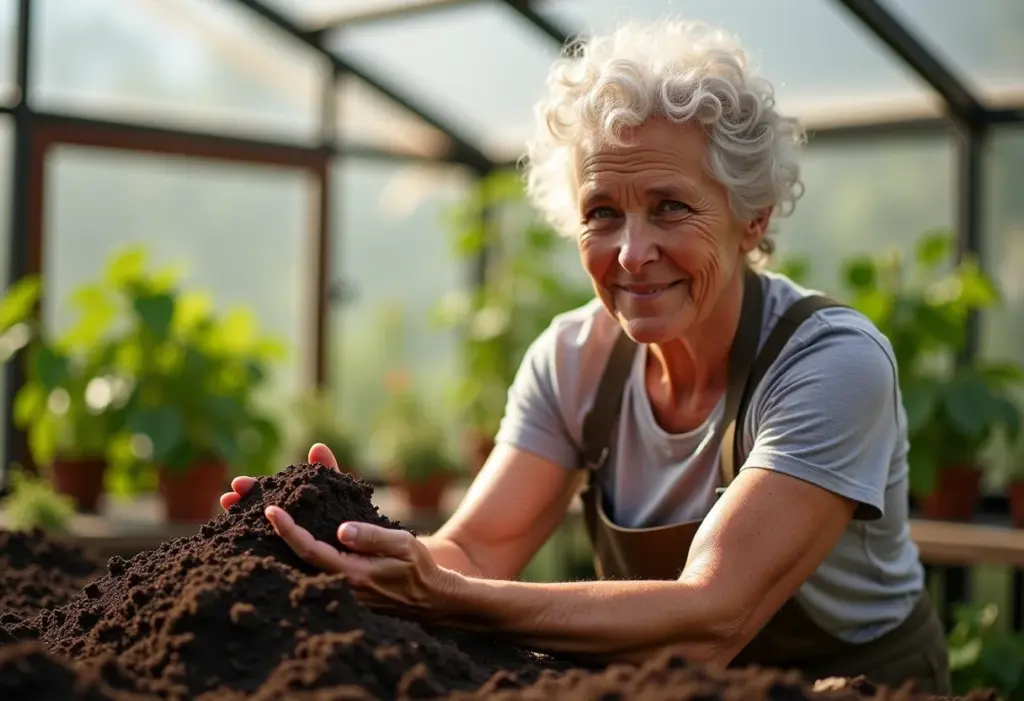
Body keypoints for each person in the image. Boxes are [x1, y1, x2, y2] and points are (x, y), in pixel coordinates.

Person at [221, 18, 950, 693]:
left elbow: (711, 615)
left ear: (751, 216)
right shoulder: (573, 359)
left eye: (671, 206)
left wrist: (455, 596)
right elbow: (473, 553)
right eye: (603, 212)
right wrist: (340, 548)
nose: (633, 253)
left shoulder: (828, 362)